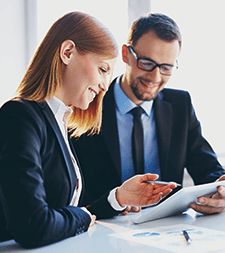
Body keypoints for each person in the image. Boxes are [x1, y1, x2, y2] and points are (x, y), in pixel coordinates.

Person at [0, 12, 176, 248]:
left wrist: (118, 198)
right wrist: (83, 216)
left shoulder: (61, 120)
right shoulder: (20, 116)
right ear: (67, 52)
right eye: (102, 69)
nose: (105, 85)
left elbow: (67, 212)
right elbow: (33, 224)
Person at [72, 13, 225, 216]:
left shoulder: (180, 105)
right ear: (126, 55)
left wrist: (221, 189)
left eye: (166, 68)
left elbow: (208, 168)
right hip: (104, 225)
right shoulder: (88, 102)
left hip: (167, 226)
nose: (155, 77)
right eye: (146, 63)